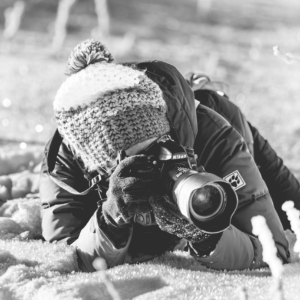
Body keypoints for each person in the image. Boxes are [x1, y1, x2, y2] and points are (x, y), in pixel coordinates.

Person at [39, 39, 298, 273]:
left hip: (225, 131)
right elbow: (69, 257)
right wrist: (111, 218)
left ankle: (200, 89)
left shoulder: (215, 134)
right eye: (137, 159)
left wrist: (205, 235)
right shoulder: (66, 164)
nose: (156, 162)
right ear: (101, 168)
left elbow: (272, 248)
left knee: (294, 209)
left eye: (159, 145)